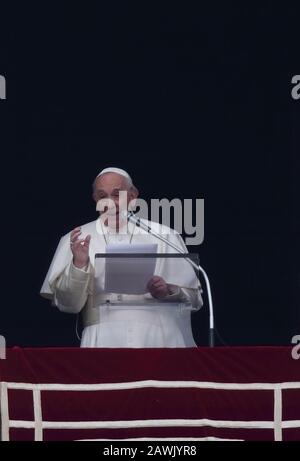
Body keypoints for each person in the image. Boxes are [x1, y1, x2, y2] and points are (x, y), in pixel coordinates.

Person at [40, 167, 202, 347]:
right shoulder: (76, 238)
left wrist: (168, 290)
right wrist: (79, 264)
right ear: (95, 200)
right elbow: (68, 305)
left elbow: (195, 299)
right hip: (102, 337)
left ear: (133, 197)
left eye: (117, 195)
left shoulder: (165, 235)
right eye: (102, 196)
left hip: (159, 338)